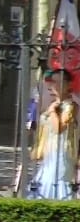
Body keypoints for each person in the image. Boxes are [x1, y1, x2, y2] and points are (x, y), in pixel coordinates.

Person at [33, 67, 78, 200]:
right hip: (50, 152)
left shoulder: (71, 106)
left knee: (57, 183)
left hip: (62, 152)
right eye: (52, 82)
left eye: (59, 82)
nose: (54, 86)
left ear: (68, 84)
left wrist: (52, 111)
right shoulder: (53, 104)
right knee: (45, 181)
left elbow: (59, 129)